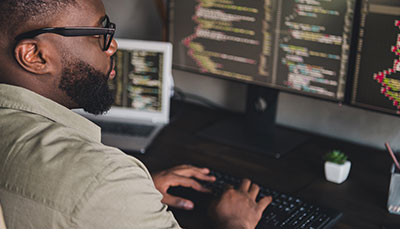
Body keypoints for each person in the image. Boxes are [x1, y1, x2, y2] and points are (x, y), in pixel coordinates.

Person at [0, 0, 272, 228]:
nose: (112, 46)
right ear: (34, 55)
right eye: (98, 34)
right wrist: (237, 222)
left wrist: (127, 198)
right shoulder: (103, 179)